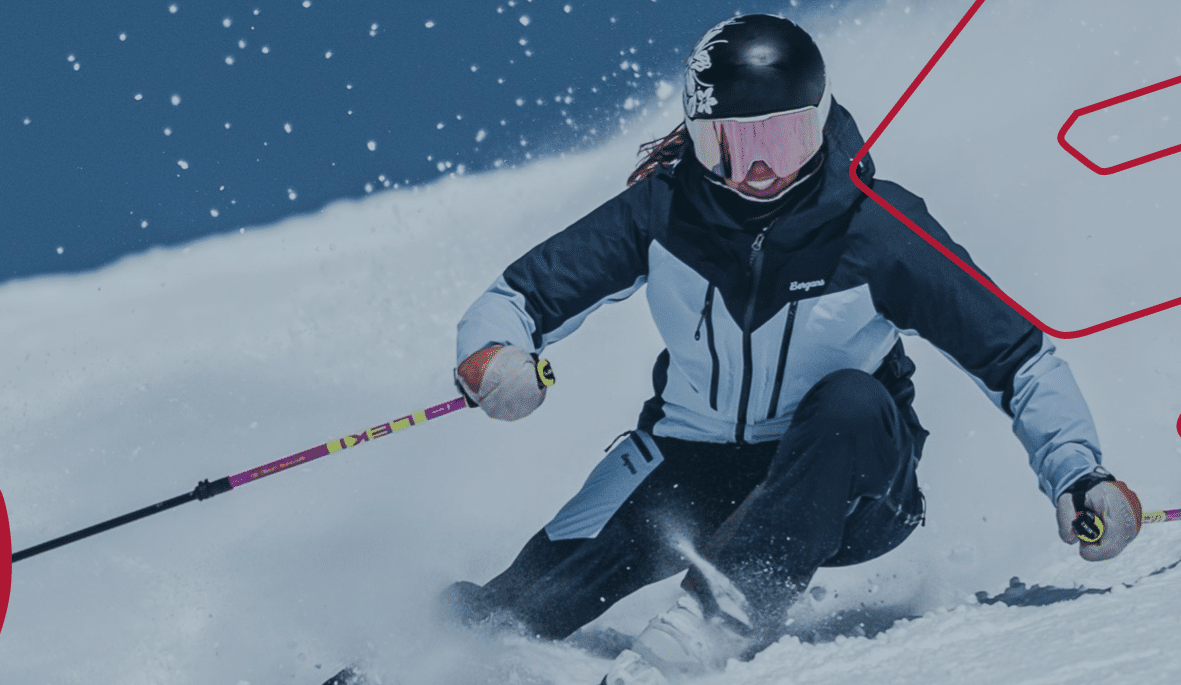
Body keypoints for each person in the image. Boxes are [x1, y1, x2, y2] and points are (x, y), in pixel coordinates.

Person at [442, 14, 1144, 684]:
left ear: (821, 122)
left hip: (853, 486)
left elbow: (1019, 360)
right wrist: (494, 357)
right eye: (729, 147)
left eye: (781, 142)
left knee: (850, 400)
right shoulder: (663, 212)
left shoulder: (878, 228)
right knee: (511, 612)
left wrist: (1079, 474)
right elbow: (518, 296)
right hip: (692, 468)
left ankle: (712, 618)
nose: (759, 172)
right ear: (694, 137)